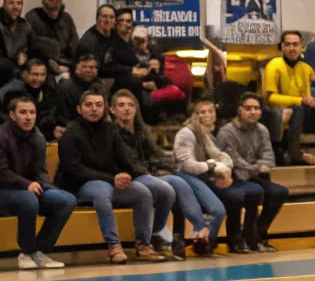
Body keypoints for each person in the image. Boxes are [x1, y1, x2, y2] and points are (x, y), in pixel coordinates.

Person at [57, 88, 165, 264]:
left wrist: (126, 174)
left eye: (98, 105)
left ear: (105, 108)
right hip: (79, 185)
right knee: (102, 191)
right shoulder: (70, 133)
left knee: (143, 192)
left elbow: (124, 159)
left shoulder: (111, 129)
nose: (94, 109)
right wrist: (111, 178)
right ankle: (114, 246)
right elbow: (74, 169)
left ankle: (143, 245)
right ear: (79, 109)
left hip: (109, 180)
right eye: (89, 105)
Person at [0, 93, 74, 270]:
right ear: (12, 115)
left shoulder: (38, 138)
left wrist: (48, 188)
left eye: (32, 112)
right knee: (28, 200)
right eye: (23, 112)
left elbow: (40, 172)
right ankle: (29, 250)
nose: (28, 117)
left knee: (66, 201)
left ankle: (37, 252)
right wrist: (26, 185)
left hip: (26, 189)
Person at [108, 90, 189, 260]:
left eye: (131, 105)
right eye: (121, 105)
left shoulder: (141, 129)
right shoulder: (111, 131)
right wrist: (151, 170)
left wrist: (172, 163)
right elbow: (128, 162)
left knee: (175, 185)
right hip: (125, 176)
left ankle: (158, 233)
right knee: (163, 189)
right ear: (112, 110)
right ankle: (144, 242)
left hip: (143, 173)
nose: (127, 109)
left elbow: (156, 153)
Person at [216, 93, 288, 254]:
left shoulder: (262, 130)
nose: (253, 112)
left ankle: (257, 234)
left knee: (279, 192)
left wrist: (259, 167)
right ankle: (241, 238)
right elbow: (233, 161)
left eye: (256, 108)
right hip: (231, 177)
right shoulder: (226, 132)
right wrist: (257, 167)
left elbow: (268, 156)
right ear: (239, 110)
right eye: (248, 108)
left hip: (252, 176)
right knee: (252, 191)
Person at [170, 100, 235, 256]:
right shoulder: (186, 133)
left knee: (221, 208)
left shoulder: (202, 133)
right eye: (201, 112)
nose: (206, 115)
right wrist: (212, 166)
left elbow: (219, 155)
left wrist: (226, 169)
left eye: (210, 111)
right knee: (217, 210)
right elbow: (187, 165)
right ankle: (203, 242)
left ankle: (204, 244)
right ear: (193, 115)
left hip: (198, 176)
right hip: (182, 176)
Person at [262, 31, 315, 166]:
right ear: (282, 47)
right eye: (288, 45)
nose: (292, 48)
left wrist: (306, 100)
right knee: (297, 108)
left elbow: (306, 95)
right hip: (278, 109)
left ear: (301, 47)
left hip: (300, 110)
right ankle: (292, 154)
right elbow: (271, 98)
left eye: (295, 44)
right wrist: (299, 101)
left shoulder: (305, 68)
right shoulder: (274, 65)